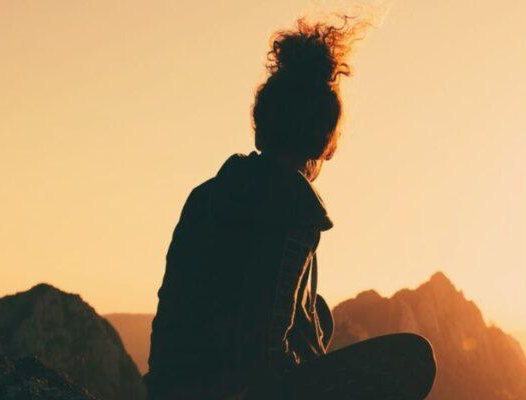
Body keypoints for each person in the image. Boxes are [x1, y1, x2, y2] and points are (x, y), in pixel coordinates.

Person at [145, 19, 436, 400]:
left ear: (261, 125)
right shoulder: (292, 209)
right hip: (235, 390)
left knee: (316, 312)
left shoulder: (206, 195)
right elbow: (260, 350)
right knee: (414, 357)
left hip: (171, 388)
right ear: (323, 141)